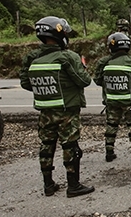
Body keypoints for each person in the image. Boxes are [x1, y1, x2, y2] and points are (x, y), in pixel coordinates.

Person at [19, 16, 94, 198]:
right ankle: (73, 186)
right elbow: (84, 81)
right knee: (70, 147)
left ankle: (48, 185)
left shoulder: (32, 58)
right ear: (59, 33)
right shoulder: (67, 57)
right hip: (67, 110)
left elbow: (26, 83)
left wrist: (47, 89)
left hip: (45, 111)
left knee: (46, 145)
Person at [93, 32, 131, 163]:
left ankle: (109, 153)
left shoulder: (103, 62)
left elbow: (97, 81)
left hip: (111, 102)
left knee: (111, 126)